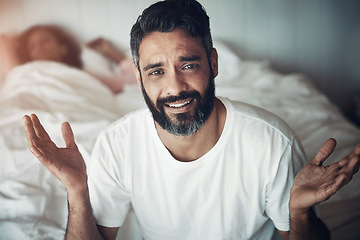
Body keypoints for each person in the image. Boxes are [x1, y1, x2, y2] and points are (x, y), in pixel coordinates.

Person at [23, 0, 360, 239]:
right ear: (139, 78)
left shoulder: (272, 141)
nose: (175, 88)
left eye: (188, 65)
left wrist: (299, 214)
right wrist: (78, 191)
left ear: (213, 63)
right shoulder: (117, 144)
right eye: (156, 71)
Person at [0, 24, 135, 93]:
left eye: (45, 41)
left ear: (62, 48)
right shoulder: (23, 74)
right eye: (32, 46)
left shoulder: (82, 74)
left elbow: (131, 80)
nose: (39, 48)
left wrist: (112, 52)